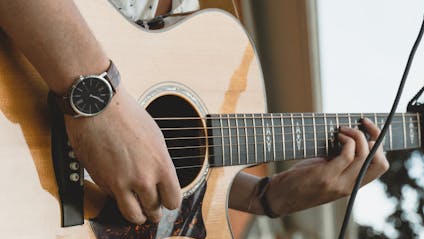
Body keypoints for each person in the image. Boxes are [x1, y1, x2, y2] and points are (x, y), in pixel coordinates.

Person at [0, 0, 389, 224]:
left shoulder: (188, 12)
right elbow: (120, 124)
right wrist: (98, 102)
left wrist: (265, 196)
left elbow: (149, 148)